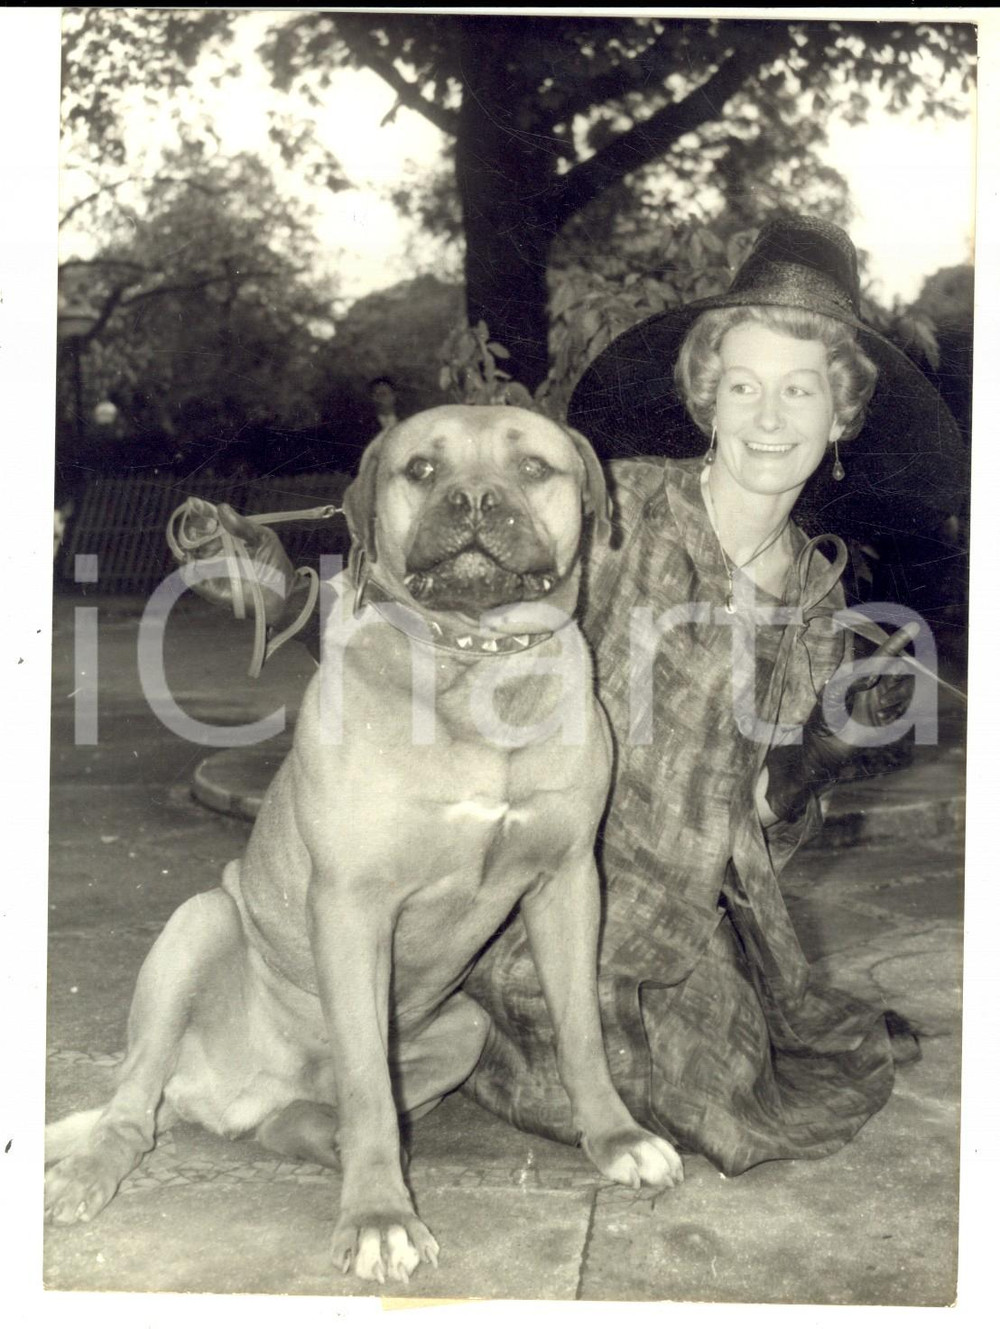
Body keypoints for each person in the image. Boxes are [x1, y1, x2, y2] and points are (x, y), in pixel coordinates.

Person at [176, 216, 960, 1178]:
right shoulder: (611, 511)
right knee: (673, 1100)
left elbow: (751, 826)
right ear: (706, 396)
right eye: (744, 385)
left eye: (800, 390)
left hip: (674, 909)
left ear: (839, 416)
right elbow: (438, 629)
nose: (768, 415)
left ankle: (758, 1017)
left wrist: (812, 760)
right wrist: (299, 606)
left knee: (747, 1092)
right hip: (520, 887)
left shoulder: (819, 600)